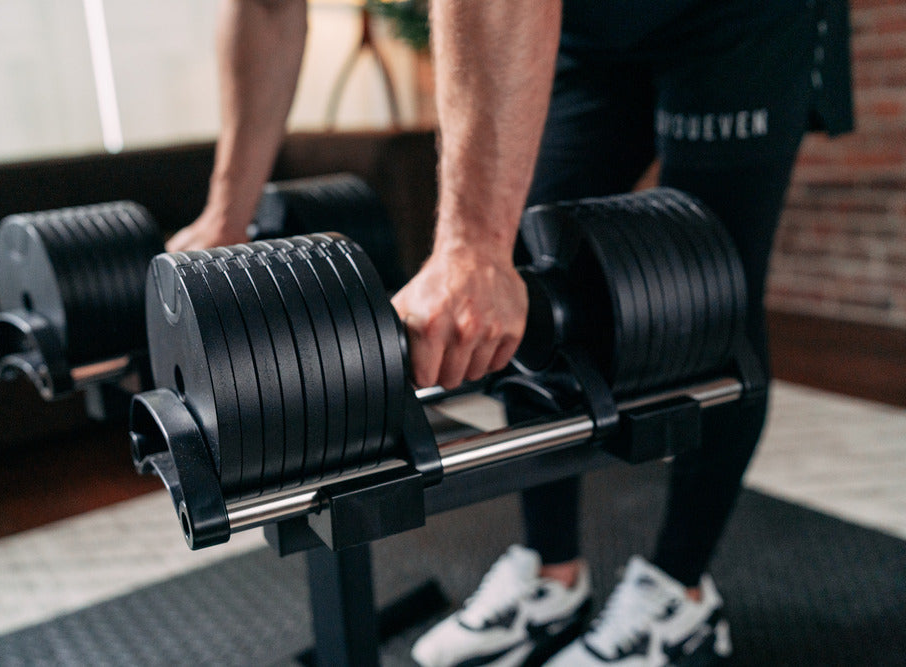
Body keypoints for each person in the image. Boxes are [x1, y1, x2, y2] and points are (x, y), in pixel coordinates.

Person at [169, 1, 853, 665]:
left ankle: (681, 591)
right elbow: (263, 7)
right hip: (588, 25)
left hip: (733, 17)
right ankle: (553, 578)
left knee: (717, 291)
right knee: (528, 265)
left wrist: (470, 245)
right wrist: (227, 216)